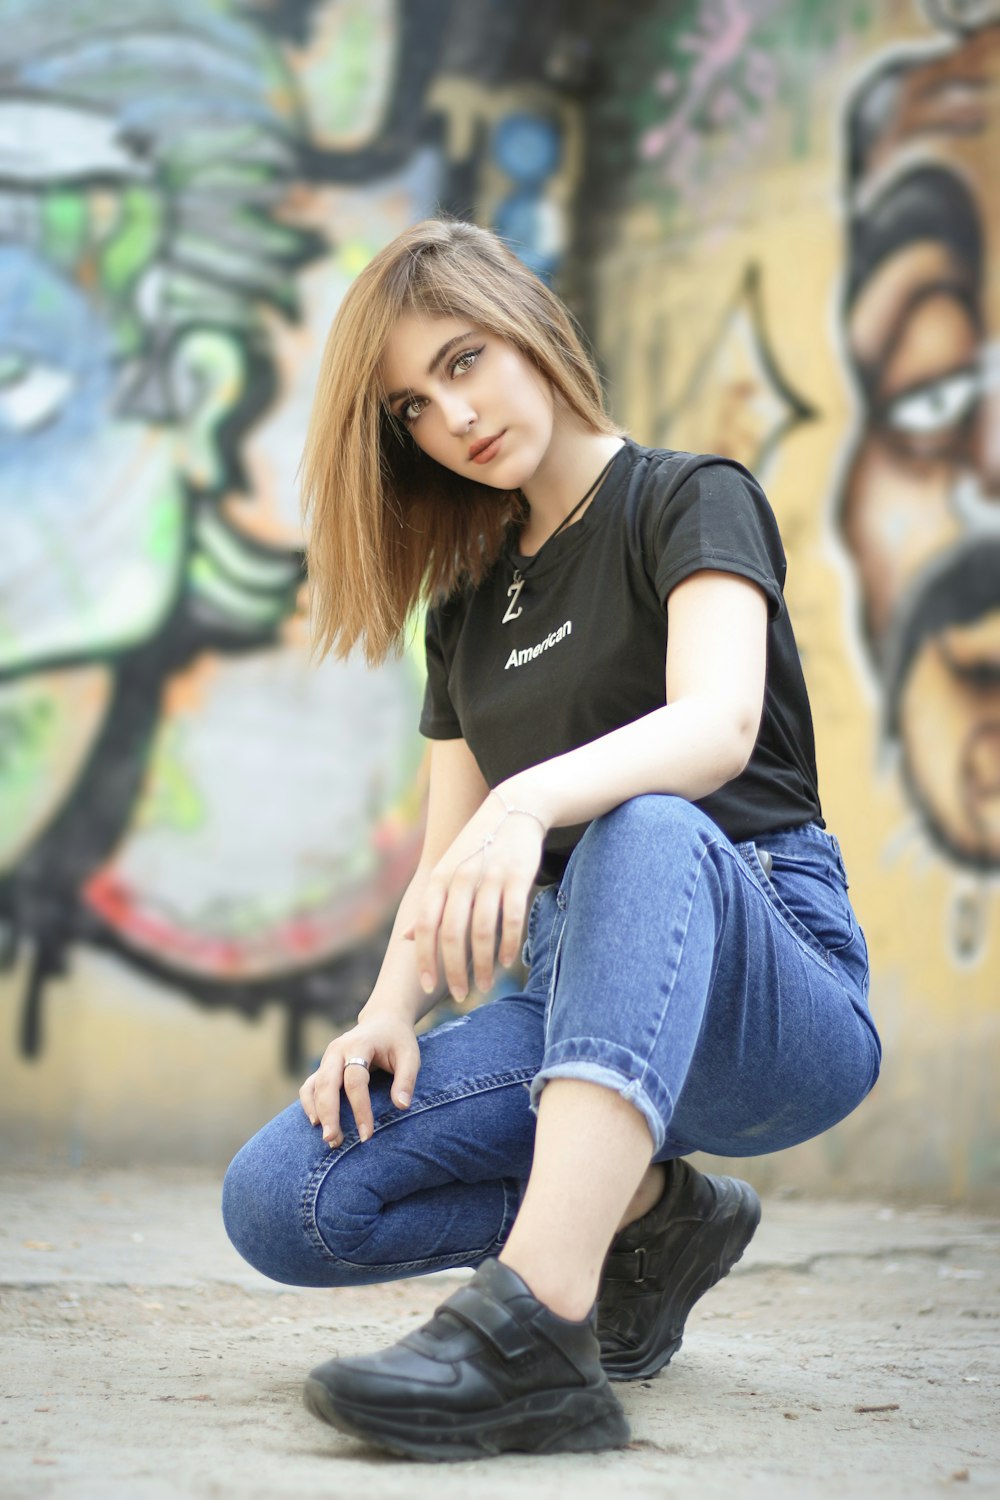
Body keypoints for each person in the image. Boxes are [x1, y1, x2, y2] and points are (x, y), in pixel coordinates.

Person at [222, 217, 881, 1460]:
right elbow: (441, 855)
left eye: (463, 359)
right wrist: (384, 1015)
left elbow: (716, 723)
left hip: (765, 981)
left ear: (528, 323)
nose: (452, 416)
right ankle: (648, 1213)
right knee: (285, 1198)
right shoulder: (465, 605)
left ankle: (536, 1329)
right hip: (578, 999)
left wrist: (534, 799)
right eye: (412, 406)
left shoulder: (687, 497)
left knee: (643, 821)